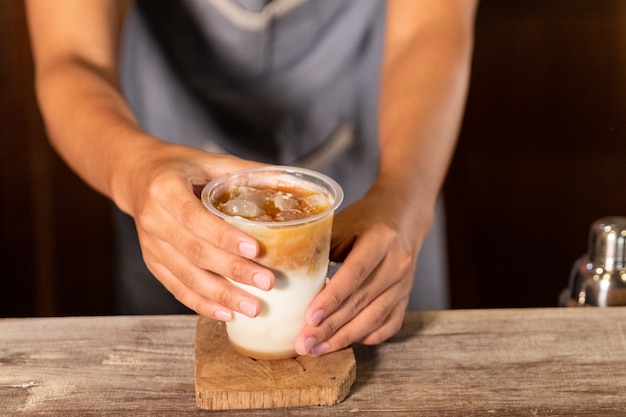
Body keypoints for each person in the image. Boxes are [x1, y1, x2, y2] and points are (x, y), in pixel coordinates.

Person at [25, 0, 477, 357]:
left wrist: (405, 196)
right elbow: (72, 55)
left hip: (381, 160)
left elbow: (430, 27)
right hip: (168, 183)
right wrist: (135, 171)